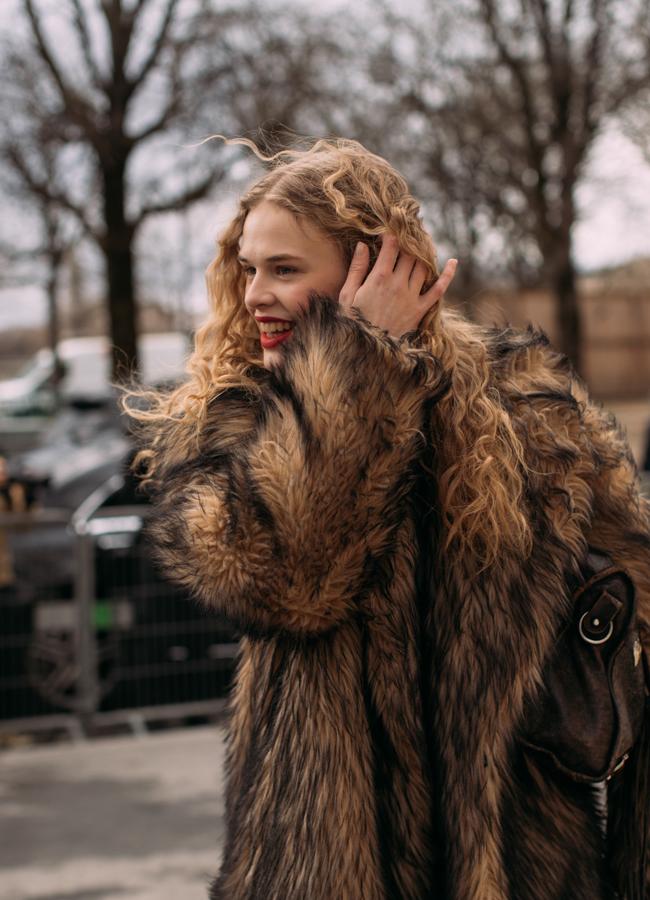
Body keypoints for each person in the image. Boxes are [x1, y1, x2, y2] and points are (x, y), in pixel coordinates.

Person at [124, 138, 649, 900]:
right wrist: (357, 363)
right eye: (248, 268)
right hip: (328, 866)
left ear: (375, 268)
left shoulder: (526, 416)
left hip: (518, 862)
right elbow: (288, 579)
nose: (254, 296)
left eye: (285, 269)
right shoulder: (239, 419)